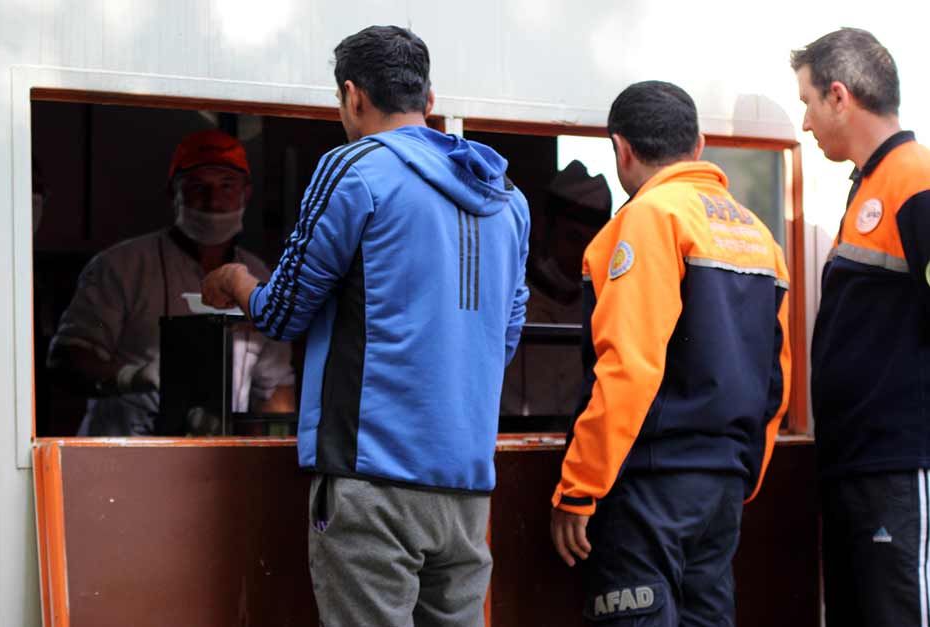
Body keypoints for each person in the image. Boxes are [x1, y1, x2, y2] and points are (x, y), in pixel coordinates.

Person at [200, 25, 530, 627]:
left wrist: (236, 282)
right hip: (467, 486)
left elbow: (282, 311)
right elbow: (502, 340)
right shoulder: (507, 197)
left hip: (371, 477)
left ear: (352, 97)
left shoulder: (354, 168)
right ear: (428, 100)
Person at [549, 81, 791, 625]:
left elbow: (628, 366)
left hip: (649, 489)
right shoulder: (760, 236)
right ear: (698, 145)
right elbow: (777, 379)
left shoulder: (647, 219)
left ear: (622, 150)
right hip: (722, 489)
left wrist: (579, 488)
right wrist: (743, 473)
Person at [791, 28, 930, 626]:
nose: (805, 123)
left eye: (807, 102)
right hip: (858, 464)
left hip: (897, 462)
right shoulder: (871, 184)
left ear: (839, 96)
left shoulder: (915, 179)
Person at [48, 129, 296, 436]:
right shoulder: (121, 266)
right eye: (197, 186)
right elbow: (66, 360)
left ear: (246, 193)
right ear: (173, 192)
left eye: (227, 185)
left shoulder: (261, 279)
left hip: (219, 458)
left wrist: (265, 447)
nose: (213, 200)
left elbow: (276, 388)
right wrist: (132, 377)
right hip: (125, 452)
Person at [500, 160, 611, 420]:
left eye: (592, 242)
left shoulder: (601, 306)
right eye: (573, 238)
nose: (582, 253)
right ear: (544, 228)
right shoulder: (509, 299)